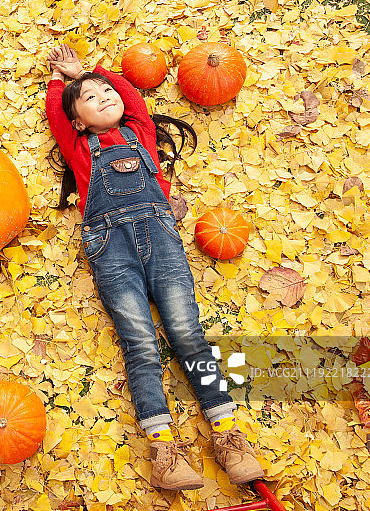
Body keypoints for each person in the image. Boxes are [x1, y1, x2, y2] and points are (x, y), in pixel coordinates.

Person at [45, 44, 264, 491]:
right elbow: (55, 112)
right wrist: (62, 80)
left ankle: (227, 435)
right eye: (90, 97)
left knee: (187, 333)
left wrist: (89, 70)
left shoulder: (140, 131)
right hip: (112, 248)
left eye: (107, 91)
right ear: (78, 121)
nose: (105, 95)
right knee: (140, 342)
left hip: (162, 241)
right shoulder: (79, 149)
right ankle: (164, 448)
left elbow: (132, 93)